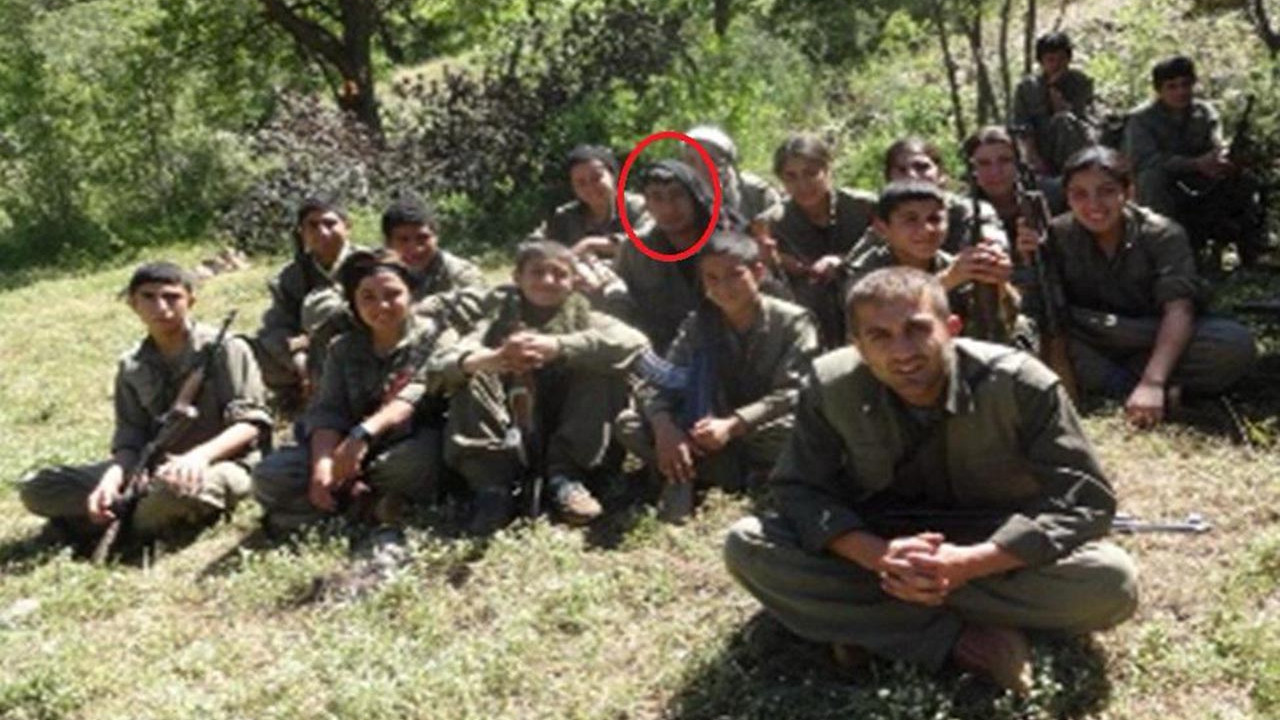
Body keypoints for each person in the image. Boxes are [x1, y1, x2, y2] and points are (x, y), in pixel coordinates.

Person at [723, 267, 1138, 694]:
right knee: (747, 545)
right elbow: (799, 489)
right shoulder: (830, 385)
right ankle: (970, 640)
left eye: (917, 330)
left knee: (1110, 581)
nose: (902, 352)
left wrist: (971, 562)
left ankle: (863, 625)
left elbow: (1084, 501)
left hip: (995, 549)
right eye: (879, 336)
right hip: (881, 549)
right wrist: (877, 555)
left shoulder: (1020, 384)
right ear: (858, 345)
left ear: (951, 328)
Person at [18, 262, 272, 550]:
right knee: (38, 487)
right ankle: (121, 515)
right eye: (148, 297)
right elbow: (131, 437)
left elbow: (251, 423)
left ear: (191, 301)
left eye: (172, 297)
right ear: (133, 304)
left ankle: (99, 526)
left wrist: (198, 458)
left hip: (224, 463)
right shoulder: (132, 364)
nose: (161, 307)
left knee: (170, 493)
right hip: (152, 466)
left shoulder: (225, 348)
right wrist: (112, 479)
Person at [1015, 146, 1256, 427]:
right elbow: (1037, 308)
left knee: (1232, 343)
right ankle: (1131, 386)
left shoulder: (1162, 233)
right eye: (1079, 194)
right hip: (1090, 334)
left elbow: (1179, 309)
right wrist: (1028, 259)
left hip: (1149, 333)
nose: (1094, 204)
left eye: (1106, 191)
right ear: (1067, 198)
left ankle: (1135, 382)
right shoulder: (1055, 234)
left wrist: (1153, 381)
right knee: (1030, 336)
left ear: (1128, 192)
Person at [435, 240, 649, 534]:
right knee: (471, 373)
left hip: (570, 423)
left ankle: (566, 479)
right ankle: (492, 488)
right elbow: (442, 363)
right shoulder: (495, 321)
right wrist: (493, 359)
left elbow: (635, 343)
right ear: (517, 278)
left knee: (604, 366)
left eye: (559, 274)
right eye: (537, 272)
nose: (548, 281)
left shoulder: (587, 317)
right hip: (511, 425)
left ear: (574, 282)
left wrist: (559, 346)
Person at [616, 231, 819, 522]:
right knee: (629, 424)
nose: (723, 287)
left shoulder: (793, 322)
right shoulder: (698, 324)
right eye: (712, 278)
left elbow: (793, 392)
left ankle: (708, 472)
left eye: (735, 275)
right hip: (703, 428)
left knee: (798, 431)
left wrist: (732, 425)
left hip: (756, 428)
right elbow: (661, 382)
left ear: (758, 272)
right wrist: (665, 430)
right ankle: (708, 470)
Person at [252, 250, 451, 536]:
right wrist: (322, 467)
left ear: (412, 295)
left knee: (413, 465)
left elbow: (413, 394)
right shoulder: (343, 348)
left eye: (393, 294)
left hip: (406, 443)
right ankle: (365, 505)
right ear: (354, 303)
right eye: (368, 297)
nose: (382, 306)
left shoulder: (437, 338)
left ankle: (347, 508)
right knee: (271, 474)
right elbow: (327, 411)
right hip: (347, 448)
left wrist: (362, 435)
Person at [846, 181, 1025, 347]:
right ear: (882, 228)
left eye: (934, 219)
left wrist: (998, 281)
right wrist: (947, 280)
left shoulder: (952, 265)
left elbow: (1007, 317)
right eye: (911, 220)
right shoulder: (865, 270)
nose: (926, 230)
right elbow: (883, 315)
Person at [1124, 56, 1263, 265]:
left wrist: (1224, 161)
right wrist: (1194, 164)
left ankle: (1250, 251)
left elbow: (1216, 146)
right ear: (1159, 90)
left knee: (1245, 180)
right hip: (1165, 188)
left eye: (1185, 84)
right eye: (1172, 86)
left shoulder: (1205, 113)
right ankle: (1162, 251)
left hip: (1202, 183)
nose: (1181, 92)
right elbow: (1144, 160)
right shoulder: (1141, 119)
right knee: (1151, 178)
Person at [254, 195, 363, 409]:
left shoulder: (370, 263)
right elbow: (277, 325)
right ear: (302, 232)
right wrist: (298, 356)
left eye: (330, 224)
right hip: (309, 354)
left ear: (347, 226)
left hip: (360, 348)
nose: (322, 232)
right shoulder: (289, 277)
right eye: (312, 226)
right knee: (247, 349)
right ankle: (301, 389)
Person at [771, 133, 878, 348]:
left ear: (827, 169)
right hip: (811, 315)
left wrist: (844, 262)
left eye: (811, 173)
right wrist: (779, 261)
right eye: (791, 176)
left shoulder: (864, 207)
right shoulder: (774, 222)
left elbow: (891, 243)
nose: (802, 185)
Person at [607, 159, 719, 354]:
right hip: (657, 353)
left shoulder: (726, 241)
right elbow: (618, 300)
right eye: (657, 197)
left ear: (695, 197)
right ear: (647, 205)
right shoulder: (635, 250)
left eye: (677, 195)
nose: (668, 208)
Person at [845, 137, 1002, 266]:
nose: (912, 175)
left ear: (941, 174)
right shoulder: (888, 216)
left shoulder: (970, 210)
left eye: (922, 167)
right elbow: (853, 267)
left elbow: (995, 242)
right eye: (902, 170)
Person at [380, 193, 490, 333]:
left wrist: (422, 309)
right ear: (388, 243)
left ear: (436, 236)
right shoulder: (379, 273)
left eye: (422, 238)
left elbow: (481, 299)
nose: (415, 248)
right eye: (403, 240)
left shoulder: (457, 271)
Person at [527, 144, 649, 259]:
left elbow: (647, 240)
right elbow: (533, 245)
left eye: (596, 178)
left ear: (613, 176)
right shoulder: (565, 216)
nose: (590, 187)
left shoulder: (640, 206)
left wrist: (591, 244)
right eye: (581, 182)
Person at [1011, 32, 1097, 176]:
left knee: (1064, 120)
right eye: (1051, 60)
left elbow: (1086, 120)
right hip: (1040, 146)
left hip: (1076, 146)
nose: (1057, 65)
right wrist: (1033, 158)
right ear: (1041, 61)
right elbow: (1022, 126)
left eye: (1061, 59)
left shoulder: (1080, 82)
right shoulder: (1027, 88)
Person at [683, 125, 784, 236]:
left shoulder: (754, 192)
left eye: (710, 160)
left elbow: (780, 217)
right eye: (691, 161)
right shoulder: (681, 196)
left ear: (725, 162)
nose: (699, 168)